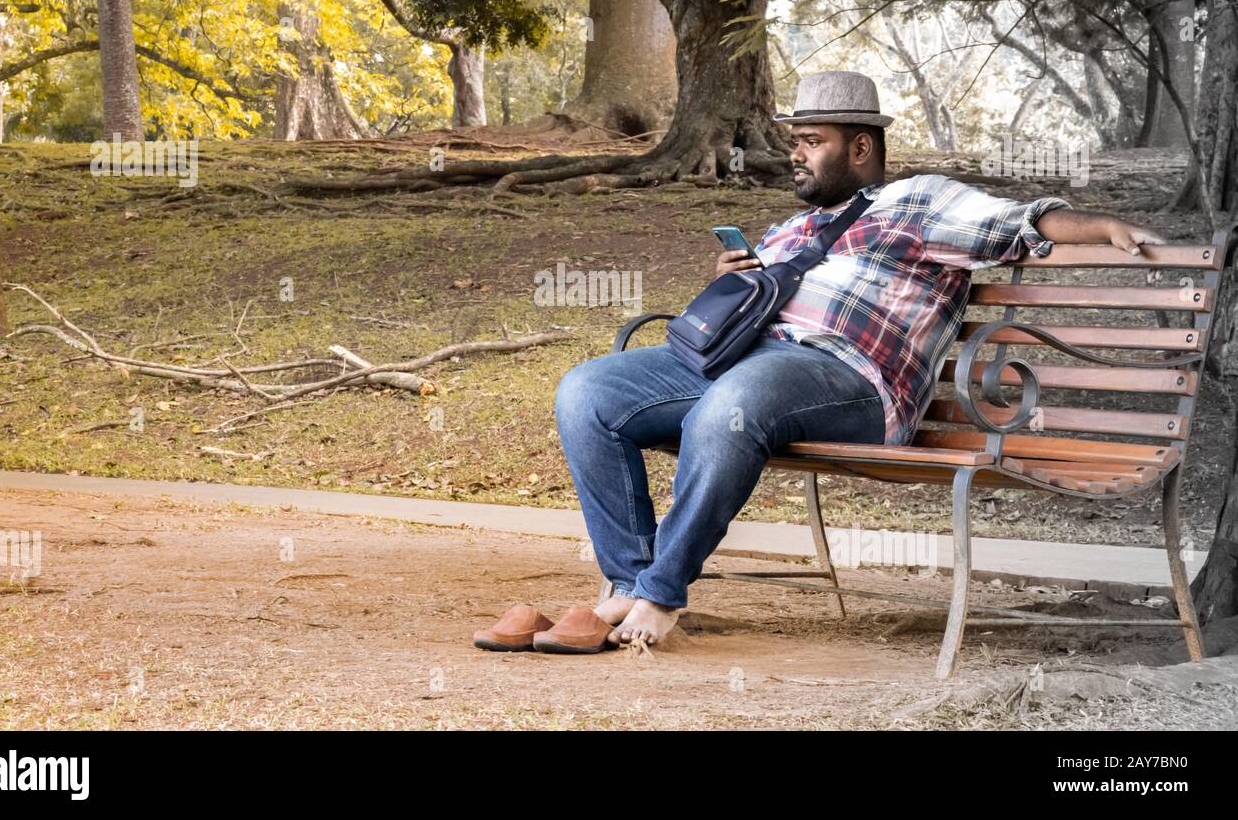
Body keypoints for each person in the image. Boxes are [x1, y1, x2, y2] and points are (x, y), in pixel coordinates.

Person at [476, 70, 1165, 655]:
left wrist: (1100, 226)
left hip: (853, 382)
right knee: (588, 392)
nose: (796, 156)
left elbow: (1022, 222)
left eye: (812, 142)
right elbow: (747, 319)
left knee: (734, 401)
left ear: (860, 146)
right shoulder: (795, 228)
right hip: (751, 363)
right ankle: (627, 587)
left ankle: (662, 596)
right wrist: (737, 278)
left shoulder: (921, 201)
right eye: (796, 142)